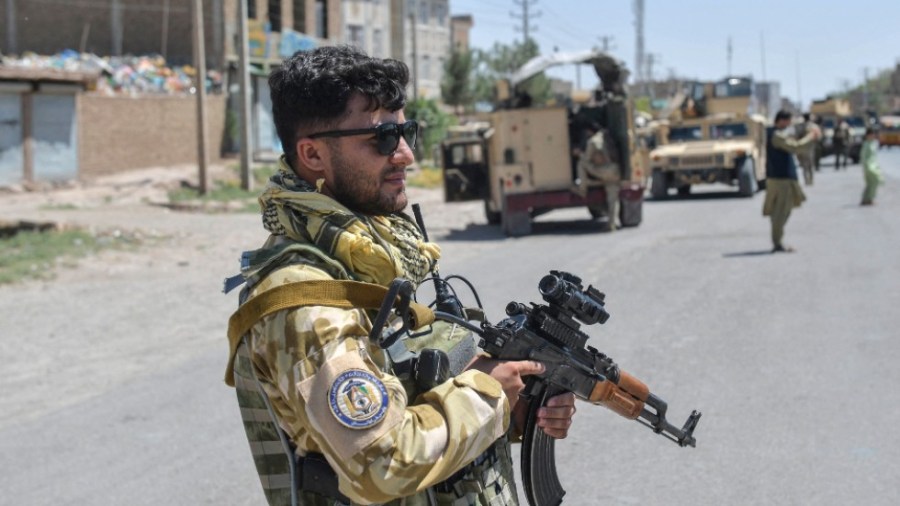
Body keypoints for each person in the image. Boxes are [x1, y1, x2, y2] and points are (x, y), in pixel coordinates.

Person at [225, 45, 576, 506]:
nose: (406, 155)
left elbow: (411, 397)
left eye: (406, 131)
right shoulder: (306, 301)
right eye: (383, 138)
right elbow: (382, 462)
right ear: (312, 155)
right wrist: (489, 393)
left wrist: (514, 411)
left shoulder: (373, 258)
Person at [764, 110, 820, 253]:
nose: (789, 125)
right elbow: (795, 147)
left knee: (783, 210)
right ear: (781, 120)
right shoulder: (776, 135)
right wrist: (811, 137)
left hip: (782, 177)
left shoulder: (777, 134)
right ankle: (777, 243)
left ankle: (778, 240)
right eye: (788, 121)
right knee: (780, 212)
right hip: (780, 179)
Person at [577, 121, 622, 231]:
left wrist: (578, 153)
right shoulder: (607, 136)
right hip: (615, 169)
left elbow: (587, 159)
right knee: (613, 199)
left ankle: (583, 188)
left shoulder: (592, 141)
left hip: (603, 171)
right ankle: (613, 222)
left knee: (581, 163)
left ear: (589, 131)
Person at [794, 113, 820, 186]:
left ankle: (807, 180)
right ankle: (811, 180)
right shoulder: (814, 126)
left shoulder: (800, 126)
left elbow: (796, 136)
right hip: (810, 147)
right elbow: (818, 137)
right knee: (810, 165)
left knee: (804, 165)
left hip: (802, 147)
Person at [860, 127, 884, 205]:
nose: (873, 136)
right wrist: (866, 166)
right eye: (871, 135)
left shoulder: (873, 143)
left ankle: (868, 198)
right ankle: (868, 198)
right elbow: (863, 156)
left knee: (873, 182)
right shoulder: (866, 144)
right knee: (872, 182)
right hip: (869, 167)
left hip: (874, 166)